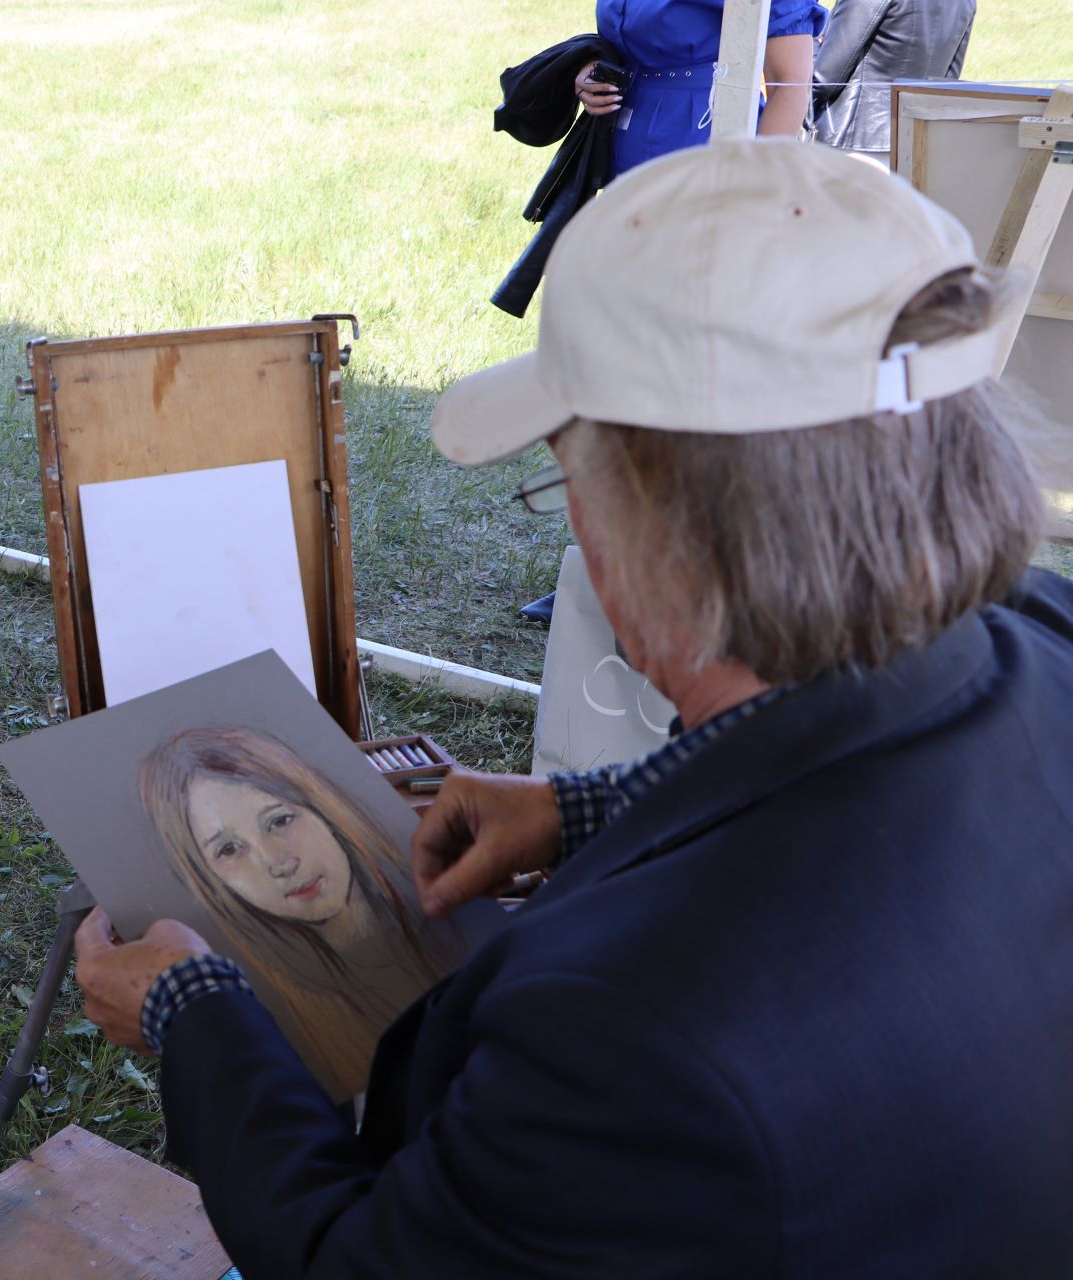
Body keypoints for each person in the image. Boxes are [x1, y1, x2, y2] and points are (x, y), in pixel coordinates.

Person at [73, 138, 1073, 1276]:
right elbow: (844, 784)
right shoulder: (1037, 639)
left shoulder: (621, 1037)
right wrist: (590, 810)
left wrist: (196, 1011)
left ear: (661, 517)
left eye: (568, 480)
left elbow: (360, 1262)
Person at [139, 728, 453, 1097]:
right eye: (228, 849)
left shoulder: (450, 917)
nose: (278, 862)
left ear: (321, 805)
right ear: (209, 883)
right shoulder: (270, 1022)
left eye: (279, 820)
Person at [573, 0, 826, 177]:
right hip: (616, 145)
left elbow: (790, 83)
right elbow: (625, 36)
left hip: (706, 146)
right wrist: (593, 67)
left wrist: (756, 182)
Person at [812, 0, 977, 162]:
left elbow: (823, 79)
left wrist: (806, 42)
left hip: (853, 141)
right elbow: (947, 82)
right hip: (918, 143)